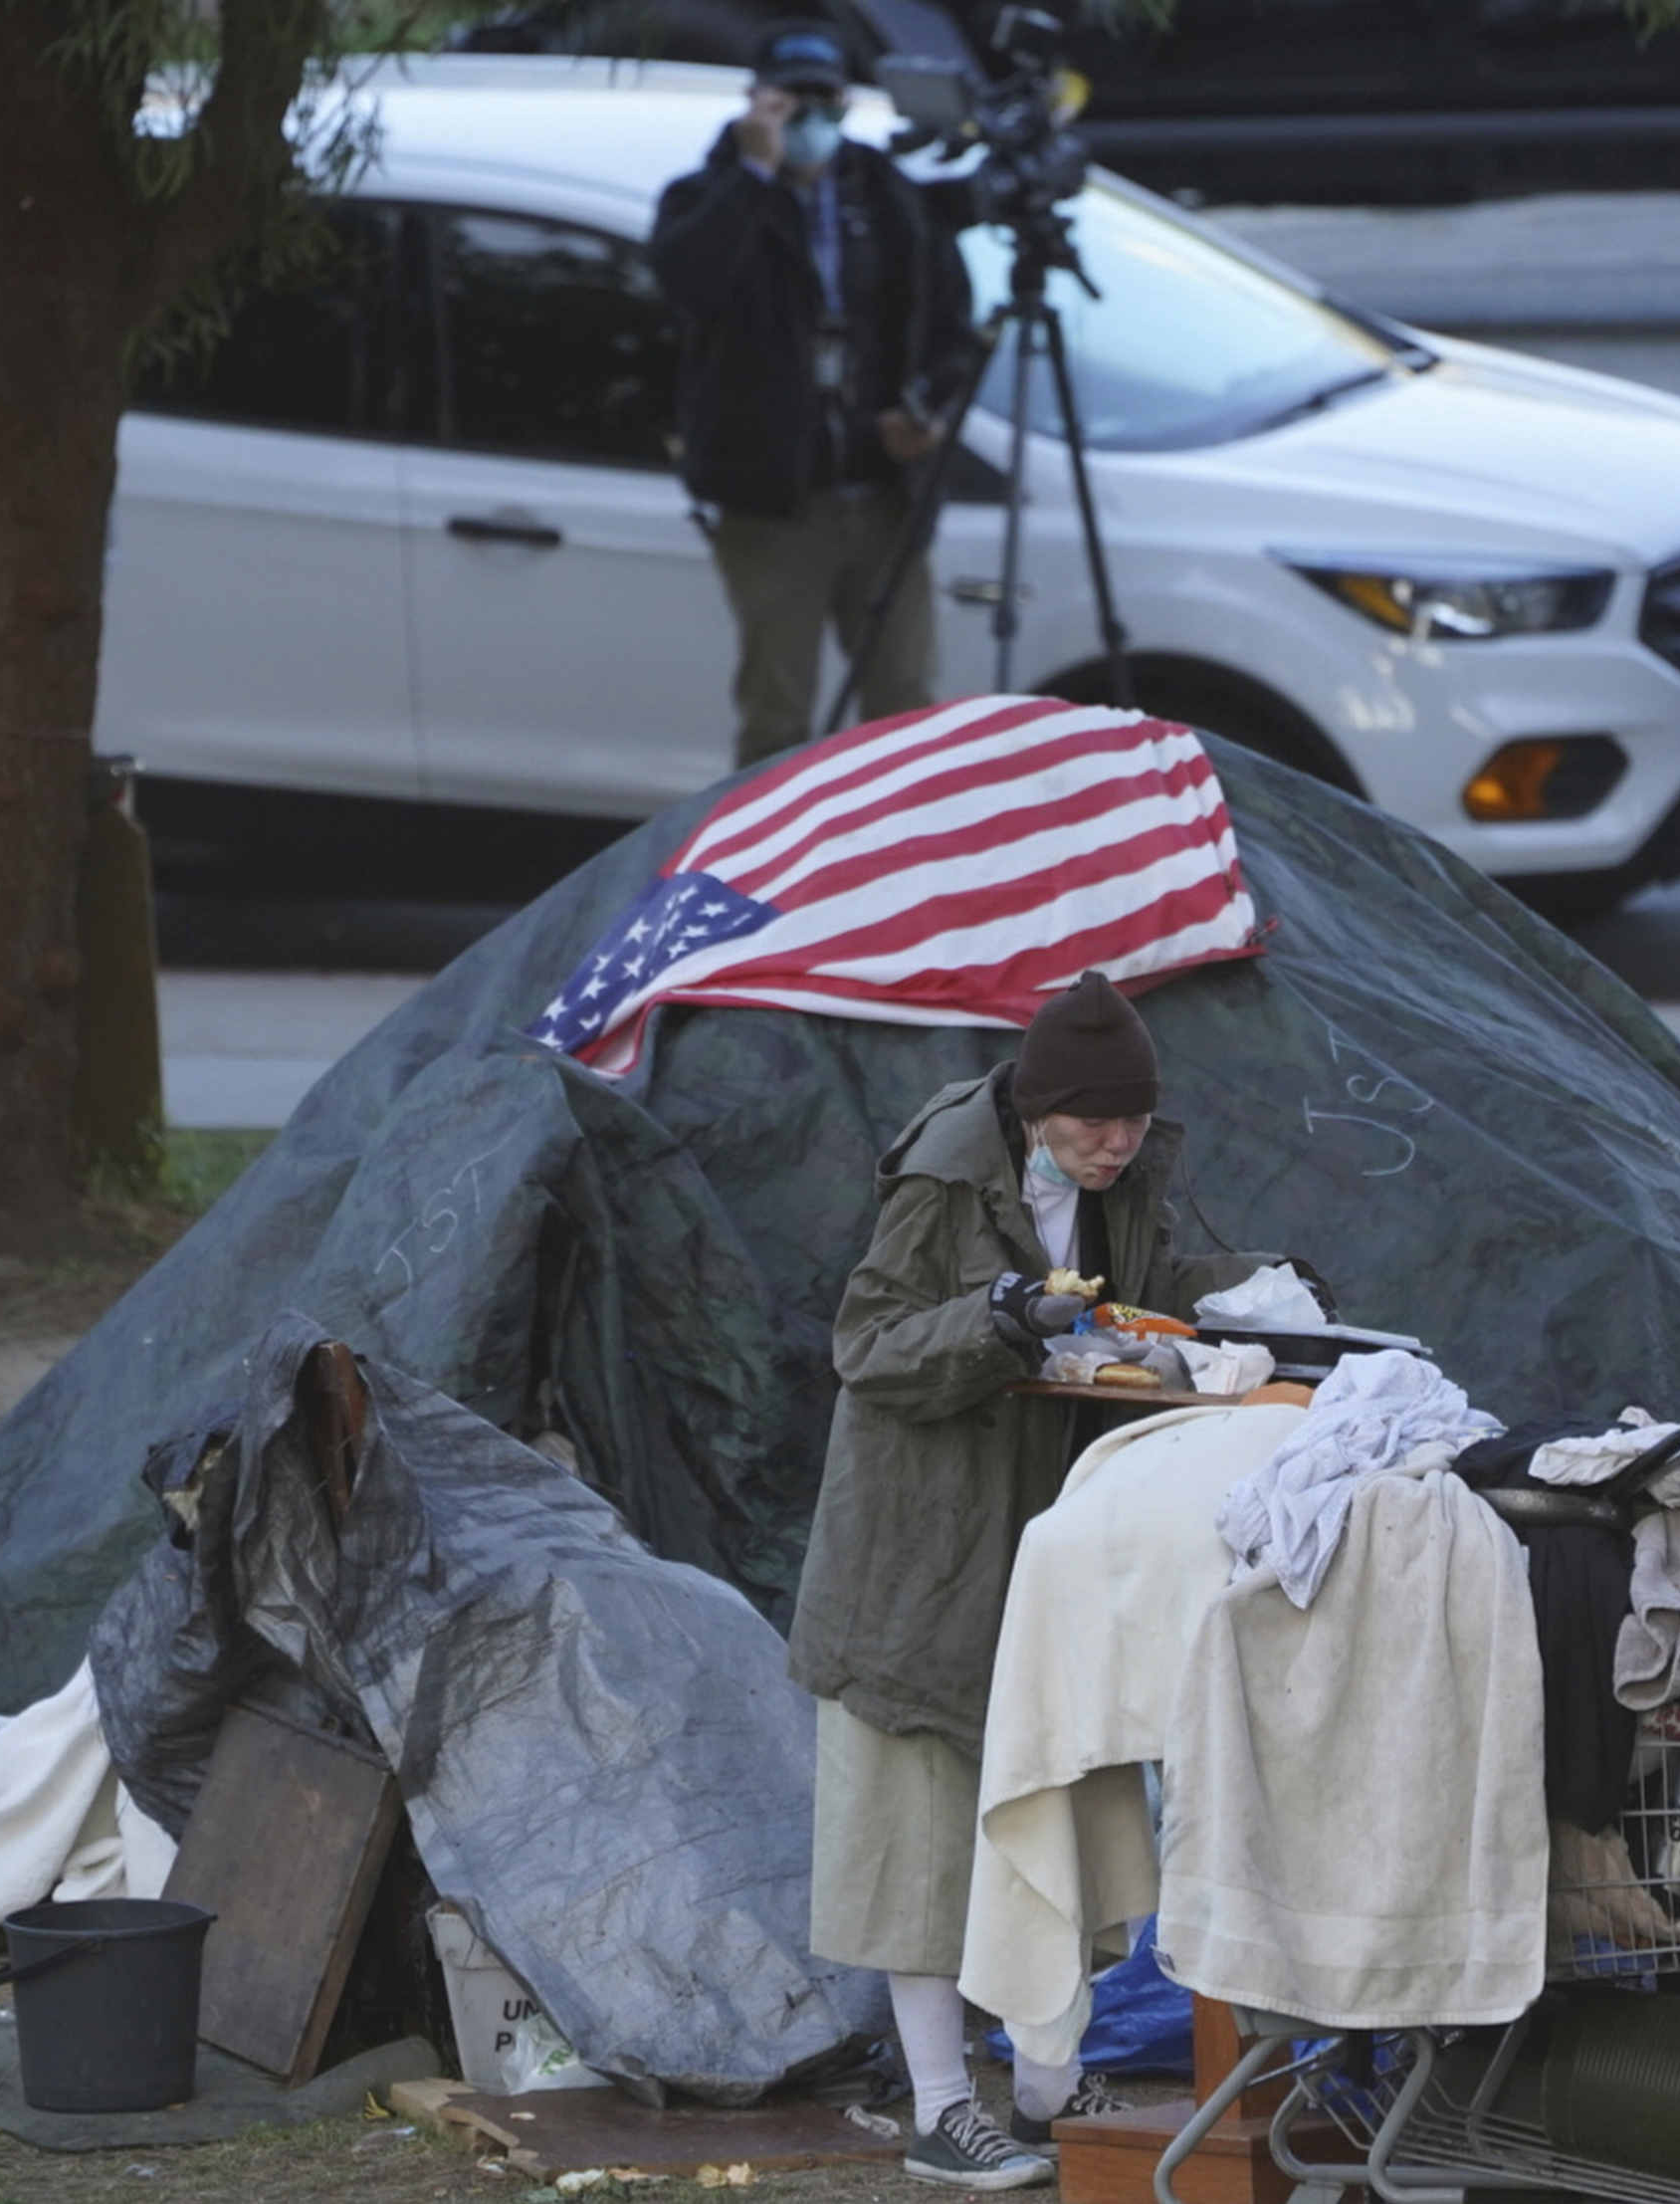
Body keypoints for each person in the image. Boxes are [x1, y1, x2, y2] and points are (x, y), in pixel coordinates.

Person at [787, 972, 1284, 2189]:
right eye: (1092, 1126)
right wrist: (998, 1314)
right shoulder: (948, 1172)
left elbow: (1148, 1297)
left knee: (1059, 1795)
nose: (1115, 1147)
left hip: (1052, 1538)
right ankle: (941, 2107)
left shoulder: (1130, 1168)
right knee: (921, 1830)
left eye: (1130, 1122)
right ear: (1039, 1109)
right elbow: (869, 1348)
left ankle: (1052, 2083)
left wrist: (1262, 1288)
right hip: (919, 1544)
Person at [647, 22, 977, 768]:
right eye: (790, 100)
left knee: (903, 708)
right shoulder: (707, 195)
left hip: (882, 492)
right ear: (756, 103)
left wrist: (924, 408)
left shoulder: (884, 193)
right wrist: (753, 174)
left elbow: (951, 324)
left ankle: (897, 869)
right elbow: (689, 281)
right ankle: (772, 872)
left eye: (825, 99)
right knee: (777, 718)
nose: (810, 116)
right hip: (774, 505)